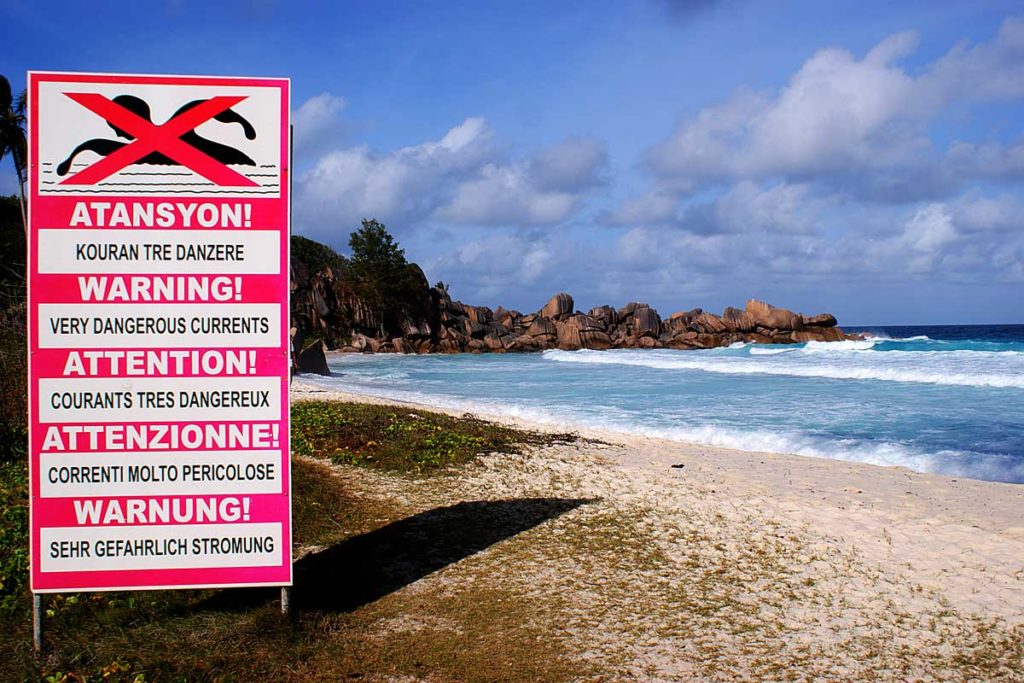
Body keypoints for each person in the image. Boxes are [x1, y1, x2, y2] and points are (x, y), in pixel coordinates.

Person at [56, 94, 257, 175]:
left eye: (115, 125)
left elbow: (206, 106)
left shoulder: (185, 120)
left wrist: (244, 125)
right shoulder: (123, 150)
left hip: (235, 163)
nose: (116, 133)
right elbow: (92, 145)